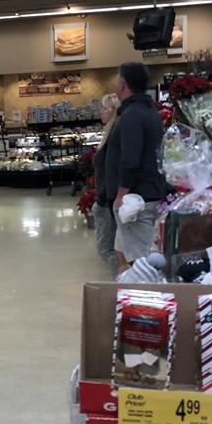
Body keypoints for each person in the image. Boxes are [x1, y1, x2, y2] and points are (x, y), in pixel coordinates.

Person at [106, 61, 166, 267]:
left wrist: (121, 194)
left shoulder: (131, 116)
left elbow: (130, 160)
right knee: (125, 253)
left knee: (143, 263)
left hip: (135, 201)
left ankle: (143, 287)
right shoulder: (149, 111)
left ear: (122, 84)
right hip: (148, 192)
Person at [91, 93, 119, 278]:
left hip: (107, 199)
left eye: (104, 108)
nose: (100, 111)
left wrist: (101, 199)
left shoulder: (113, 136)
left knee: (107, 247)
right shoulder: (109, 133)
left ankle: (122, 279)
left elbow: (112, 171)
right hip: (106, 197)